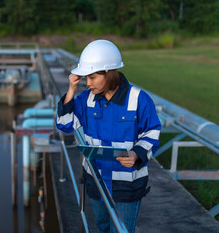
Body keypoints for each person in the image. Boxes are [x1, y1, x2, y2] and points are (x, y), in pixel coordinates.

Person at [56, 40, 161, 233]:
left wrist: (136, 154)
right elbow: (65, 124)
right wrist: (71, 89)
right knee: (102, 226)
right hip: (95, 178)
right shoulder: (86, 98)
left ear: (110, 73)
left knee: (121, 230)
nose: (88, 83)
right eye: (86, 77)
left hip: (126, 184)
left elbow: (152, 133)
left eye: (93, 77)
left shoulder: (138, 98)